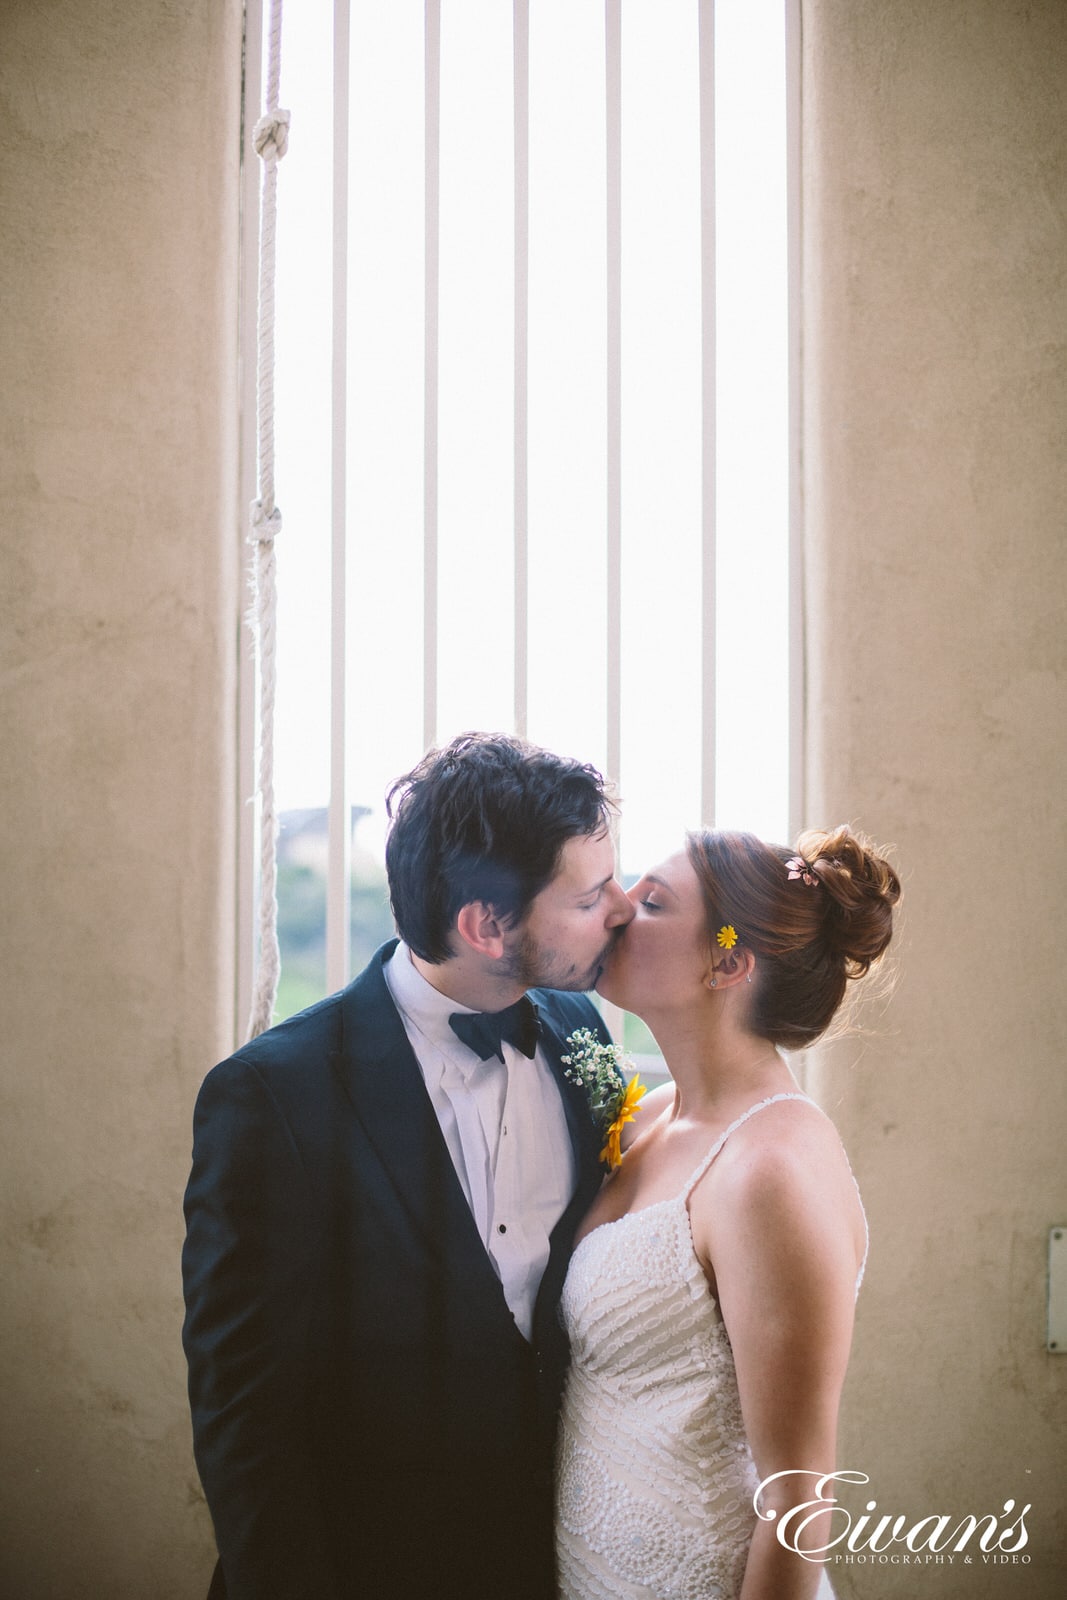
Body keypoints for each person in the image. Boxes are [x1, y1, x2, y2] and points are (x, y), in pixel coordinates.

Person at [182, 732, 634, 1600]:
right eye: (585, 897)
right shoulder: (273, 1096)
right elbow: (246, 1414)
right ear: (485, 925)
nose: (617, 909)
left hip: (556, 1565)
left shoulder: (580, 1032)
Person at [555, 825, 901, 1600]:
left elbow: (799, 1494)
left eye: (652, 901)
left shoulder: (767, 1172)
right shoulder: (652, 1120)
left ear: (727, 960)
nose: (615, 909)